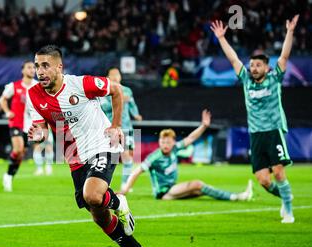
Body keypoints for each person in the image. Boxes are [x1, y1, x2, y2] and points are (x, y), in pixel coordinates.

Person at [27, 45, 152, 247]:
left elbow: (117, 91)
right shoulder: (34, 94)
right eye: (37, 66)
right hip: (74, 157)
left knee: (93, 195)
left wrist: (115, 126)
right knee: (98, 215)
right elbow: (42, 128)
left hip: (103, 144)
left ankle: (118, 202)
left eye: (45, 65)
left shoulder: (80, 84)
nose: (40, 71)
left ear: (59, 67)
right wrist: (39, 134)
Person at [210, 16, 299, 223]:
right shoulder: (246, 80)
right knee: (263, 180)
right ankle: (285, 196)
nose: (253, 68)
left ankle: (288, 209)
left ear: (266, 67)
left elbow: (284, 57)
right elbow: (233, 60)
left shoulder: (274, 78)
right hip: (255, 133)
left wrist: (290, 32)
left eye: (258, 65)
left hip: (274, 130)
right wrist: (222, 38)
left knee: (278, 172)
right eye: (252, 65)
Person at [121, 110, 253, 201]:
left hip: (172, 190)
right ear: (159, 142)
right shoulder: (155, 156)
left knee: (201, 190)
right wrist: (126, 188)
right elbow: (137, 170)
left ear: (173, 142)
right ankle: (236, 197)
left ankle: (235, 196)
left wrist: (203, 126)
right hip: (163, 192)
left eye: (168, 142)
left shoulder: (174, 149)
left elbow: (190, 138)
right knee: (197, 184)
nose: (165, 144)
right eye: (162, 141)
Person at [100, 67, 143, 190]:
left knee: (127, 156)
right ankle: (105, 184)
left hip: (126, 127)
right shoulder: (105, 91)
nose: (115, 77)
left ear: (120, 77)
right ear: (108, 77)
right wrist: (118, 99)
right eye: (112, 74)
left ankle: (125, 184)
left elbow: (132, 104)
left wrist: (136, 114)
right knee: (109, 158)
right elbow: (104, 108)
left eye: (117, 74)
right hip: (111, 129)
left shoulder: (127, 91)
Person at [0, 60, 38, 191]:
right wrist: (7, 111)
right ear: (23, 70)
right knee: (18, 149)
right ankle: (8, 177)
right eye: (29, 67)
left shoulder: (38, 86)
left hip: (30, 125)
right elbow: (2, 99)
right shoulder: (14, 86)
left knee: (21, 154)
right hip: (16, 122)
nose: (32, 70)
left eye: (34, 67)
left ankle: (9, 175)